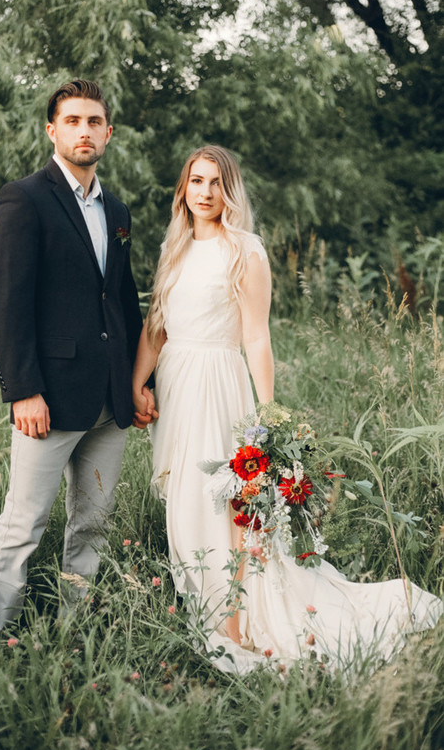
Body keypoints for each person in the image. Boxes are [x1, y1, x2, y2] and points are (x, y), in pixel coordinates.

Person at [132, 145, 442, 674]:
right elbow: (156, 325)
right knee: (183, 498)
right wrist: (138, 382)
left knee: (223, 500)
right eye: (196, 181)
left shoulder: (245, 250)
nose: (204, 193)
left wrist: (268, 417)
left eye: (215, 183)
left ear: (229, 191)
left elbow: (256, 337)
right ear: (183, 188)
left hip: (219, 383)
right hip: (177, 386)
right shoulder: (174, 246)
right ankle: (204, 606)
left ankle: (232, 619)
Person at [0, 79, 149, 637]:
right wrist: (22, 389)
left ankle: (72, 632)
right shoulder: (23, 198)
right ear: (52, 129)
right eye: (72, 121)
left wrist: (141, 383)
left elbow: (123, 301)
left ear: (108, 133)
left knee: (92, 525)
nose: (84, 131)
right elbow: (7, 302)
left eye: (94, 122)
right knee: (24, 522)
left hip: (110, 401)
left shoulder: (116, 209)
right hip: (46, 399)